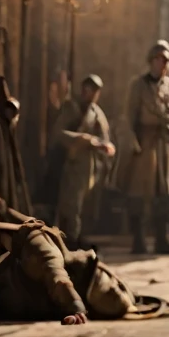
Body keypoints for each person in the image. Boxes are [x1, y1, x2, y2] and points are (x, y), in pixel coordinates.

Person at [0, 129, 139, 323]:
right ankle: (73, 303)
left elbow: (10, 217)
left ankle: (71, 296)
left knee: (35, 241)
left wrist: (32, 227)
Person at [124, 39, 169, 255]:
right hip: (146, 143)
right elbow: (129, 117)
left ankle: (162, 238)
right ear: (151, 61)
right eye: (158, 59)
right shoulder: (138, 86)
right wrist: (133, 142)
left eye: (165, 60)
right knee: (140, 193)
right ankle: (138, 239)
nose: (161, 64)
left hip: (165, 144)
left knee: (165, 194)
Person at [53, 74, 115, 246]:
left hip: (91, 166)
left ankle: (79, 237)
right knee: (70, 204)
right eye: (89, 89)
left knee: (87, 205)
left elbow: (104, 138)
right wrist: (85, 140)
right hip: (72, 163)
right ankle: (69, 238)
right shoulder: (71, 108)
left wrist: (104, 146)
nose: (91, 94)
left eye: (95, 91)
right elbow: (59, 133)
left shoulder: (97, 113)